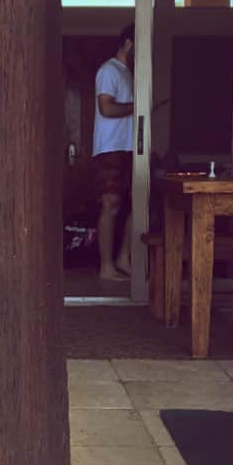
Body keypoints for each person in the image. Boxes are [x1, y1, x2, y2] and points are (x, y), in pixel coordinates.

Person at [92, 24, 134, 281]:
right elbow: (106, 109)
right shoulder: (109, 70)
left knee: (134, 205)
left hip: (128, 147)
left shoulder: (127, 72)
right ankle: (106, 267)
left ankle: (123, 258)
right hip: (110, 147)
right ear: (129, 43)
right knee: (111, 204)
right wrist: (135, 106)